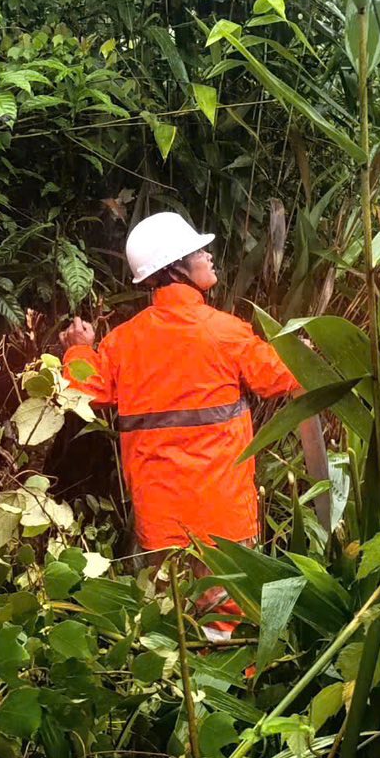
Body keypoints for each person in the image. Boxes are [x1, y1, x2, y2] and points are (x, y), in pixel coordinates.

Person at [60, 211, 326, 561]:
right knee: (227, 613)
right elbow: (278, 375)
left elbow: (84, 391)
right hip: (226, 522)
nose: (209, 256)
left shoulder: (123, 342)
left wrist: (78, 348)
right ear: (175, 267)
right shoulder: (227, 332)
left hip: (159, 525)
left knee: (172, 613)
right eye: (199, 253)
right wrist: (300, 354)